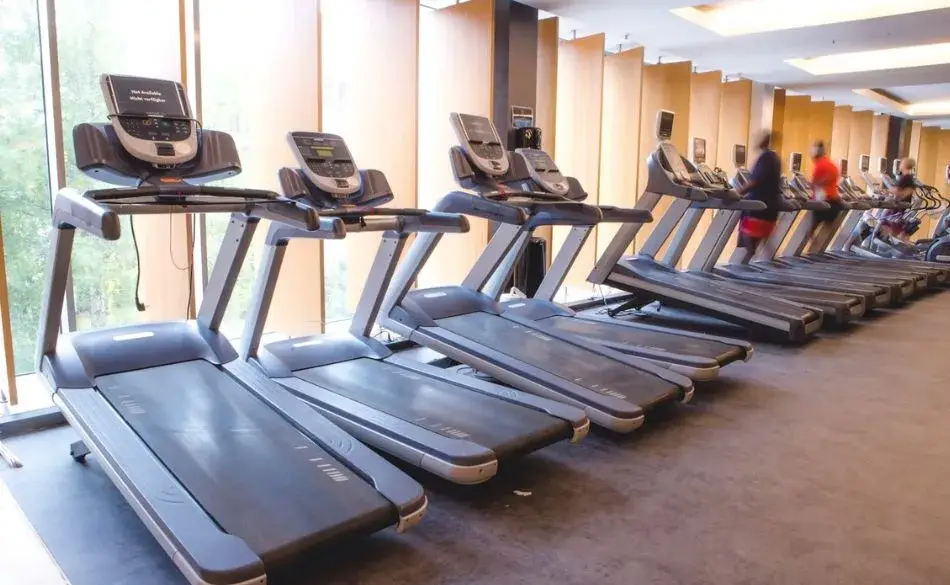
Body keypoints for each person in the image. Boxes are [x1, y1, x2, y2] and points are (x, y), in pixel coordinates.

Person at [735, 131, 782, 259]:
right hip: (770, 206)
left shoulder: (766, 158)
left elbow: (755, 181)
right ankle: (770, 266)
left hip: (760, 207)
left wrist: (737, 192)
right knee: (764, 240)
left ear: (765, 141)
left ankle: (748, 266)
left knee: (749, 238)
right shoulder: (774, 157)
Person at [881, 158, 917, 242]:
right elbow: (905, 191)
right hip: (902, 206)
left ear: (905, 165)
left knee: (884, 222)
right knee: (896, 229)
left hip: (899, 206)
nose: (900, 165)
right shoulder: (909, 178)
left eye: (901, 163)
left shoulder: (905, 178)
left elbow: (900, 192)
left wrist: (888, 189)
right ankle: (894, 243)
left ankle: (886, 244)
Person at [809, 140, 841, 224]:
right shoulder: (832, 165)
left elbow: (814, 185)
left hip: (824, 203)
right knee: (825, 231)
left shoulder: (819, 166)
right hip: (835, 203)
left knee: (811, 231)